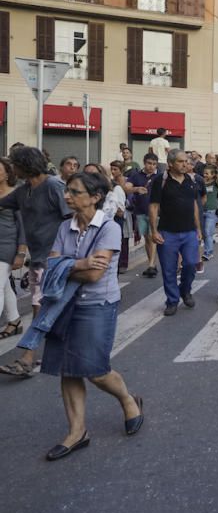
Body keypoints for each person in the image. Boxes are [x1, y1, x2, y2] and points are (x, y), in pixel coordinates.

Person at [35, 172, 143, 459]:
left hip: (97, 304)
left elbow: (95, 275)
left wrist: (66, 267)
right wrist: (79, 262)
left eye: (74, 191)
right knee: (67, 369)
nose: (67, 196)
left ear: (95, 197)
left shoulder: (108, 228)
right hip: (63, 305)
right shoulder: (64, 227)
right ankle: (77, 431)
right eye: (67, 190)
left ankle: (127, 399)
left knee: (94, 370)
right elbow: (52, 265)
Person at [0, 147, 71, 328]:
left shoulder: (54, 186)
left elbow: (71, 218)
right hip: (38, 257)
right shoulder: (24, 190)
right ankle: (37, 350)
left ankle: (32, 352)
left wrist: (62, 254)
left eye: (14, 164)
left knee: (42, 305)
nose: (12, 168)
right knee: (39, 303)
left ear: (25, 164)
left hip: (54, 259)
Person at [148, 149, 202, 317]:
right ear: (170, 164)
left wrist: (198, 229)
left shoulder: (191, 180)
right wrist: (154, 231)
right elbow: (153, 206)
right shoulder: (160, 181)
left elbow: (194, 205)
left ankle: (185, 291)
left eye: (186, 161)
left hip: (189, 232)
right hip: (167, 232)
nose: (185, 164)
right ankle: (172, 301)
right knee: (169, 270)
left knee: (191, 264)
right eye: (181, 161)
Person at [0, 157, 25, 339]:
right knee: (5, 285)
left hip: (7, 246)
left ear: (8, 173)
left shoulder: (16, 195)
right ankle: (15, 321)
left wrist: (21, 252)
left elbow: (23, 226)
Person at [127, 154, 160, 277]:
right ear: (144, 163)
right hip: (140, 211)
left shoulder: (160, 176)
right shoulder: (136, 175)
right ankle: (152, 263)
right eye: (149, 163)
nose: (151, 166)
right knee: (147, 238)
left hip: (156, 212)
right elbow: (126, 187)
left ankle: (151, 265)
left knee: (152, 237)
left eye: (154, 164)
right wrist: (136, 189)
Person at [201, 164, 218, 261]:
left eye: (207, 173)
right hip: (201, 210)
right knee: (204, 233)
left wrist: (215, 172)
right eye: (204, 173)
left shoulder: (215, 183)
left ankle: (208, 252)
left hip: (211, 211)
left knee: (208, 232)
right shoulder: (201, 182)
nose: (204, 175)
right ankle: (208, 249)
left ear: (213, 175)